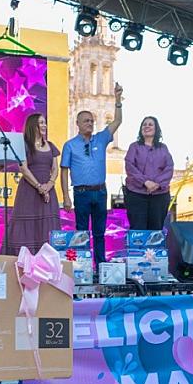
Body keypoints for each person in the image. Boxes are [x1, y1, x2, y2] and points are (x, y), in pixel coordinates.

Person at [61, 82, 124, 266]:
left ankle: (101, 265)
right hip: (81, 193)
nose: (89, 123)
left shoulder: (101, 138)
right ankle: (81, 266)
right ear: (78, 124)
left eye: (91, 120)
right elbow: (64, 171)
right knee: (81, 232)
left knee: (99, 232)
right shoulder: (70, 145)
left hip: (100, 191)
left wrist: (118, 100)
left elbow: (117, 121)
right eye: (86, 121)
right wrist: (66, 196)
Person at [3, 113, 62, 255]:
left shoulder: (51, 145)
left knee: (47, 226)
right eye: (41, 123)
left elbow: (55, 169)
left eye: (45, 123)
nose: (44, 126)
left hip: (49, 191)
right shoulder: (24, 145)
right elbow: (23, 168)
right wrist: (39, 187)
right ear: (32, 125)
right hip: (29, 191)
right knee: (27, 225)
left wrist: (49, 184)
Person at [123, 116, 174, 230]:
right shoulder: (134, 147)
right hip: (136, 195)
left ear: (156, 129)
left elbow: (169, 167)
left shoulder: (163, 148)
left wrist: (157, 184)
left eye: (150, 124)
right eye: (144, 124)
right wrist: (145, 182)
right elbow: (129, 166)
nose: (147, 126)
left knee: (155, 230)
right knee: (138, 229)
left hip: (159, 196)